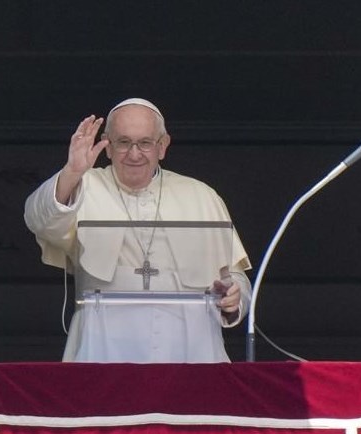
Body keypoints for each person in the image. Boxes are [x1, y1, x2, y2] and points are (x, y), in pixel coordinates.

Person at [24, 97, 252, 362]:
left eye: (145, 143)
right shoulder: (82, 185)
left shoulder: (201, 195)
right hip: (105, 342)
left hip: (189, 344)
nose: (134, 154)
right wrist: (72, 171)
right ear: (107, 145)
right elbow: (37, 219)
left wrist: (234, 296)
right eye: (123, 142)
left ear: (162, 146)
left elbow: (235, 276)